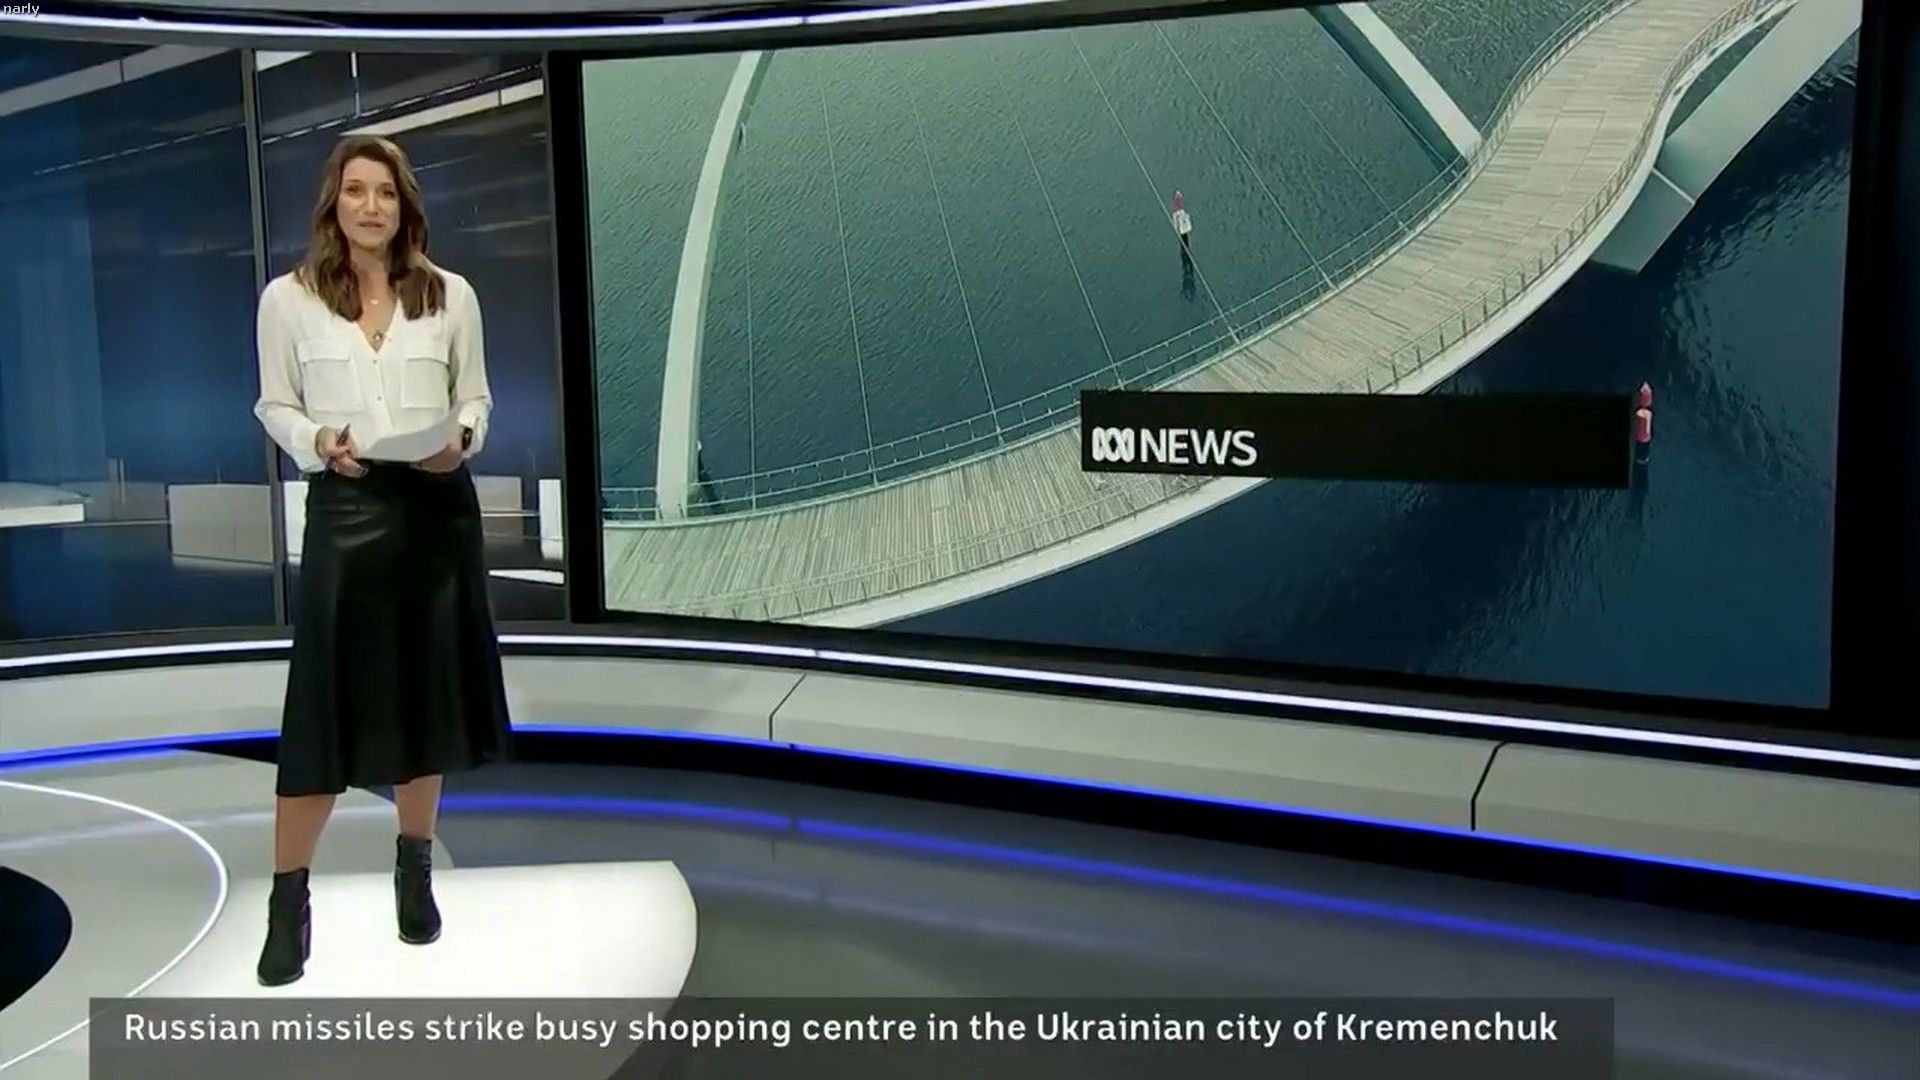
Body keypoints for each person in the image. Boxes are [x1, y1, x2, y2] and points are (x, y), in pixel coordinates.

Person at [250, 134, 514, 987]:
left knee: (423, 696)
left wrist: (461, 438)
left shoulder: (451, 295)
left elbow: (474, 398)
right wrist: (318, 439)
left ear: (406, 207)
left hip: (435, 513)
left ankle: (414, 870)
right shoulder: (288, 300)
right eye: (357, 190)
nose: (372, 206)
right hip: (347, 508)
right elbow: (275, 405)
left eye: (387, 193)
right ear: (334, 202)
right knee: (325, 707)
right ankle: (288, 902)